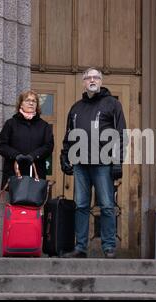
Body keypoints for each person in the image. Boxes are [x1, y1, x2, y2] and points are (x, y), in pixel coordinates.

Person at [60, 68, 126, 259]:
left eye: (96, 77)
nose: (92, 80)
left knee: (106, 205)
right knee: (80, 206)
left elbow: (121, 135)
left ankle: (109, 247)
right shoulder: (76, 108)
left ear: (101, 81)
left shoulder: (113, 104)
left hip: (103, 163)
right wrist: (65, 157)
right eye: (88, 77)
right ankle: (80, 247)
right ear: (83, 82)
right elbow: (69, 136)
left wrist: (117, 162)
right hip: (81, 164)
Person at [0, 90, 54, 190]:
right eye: (27, 100)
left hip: (36, 173)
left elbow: (48, 146)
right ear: (21, 104)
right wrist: (17, 155)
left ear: (37, 105)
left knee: (34, 204)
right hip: (14, 172)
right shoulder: (11, 124)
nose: (31, 103)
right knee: (16, 204)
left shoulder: (44, 126)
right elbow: (1, 145)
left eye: (34, 101)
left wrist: (33, 156)